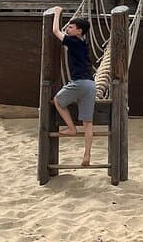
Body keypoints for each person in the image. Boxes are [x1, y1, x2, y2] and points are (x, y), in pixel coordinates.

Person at [51, 8, 96, 167]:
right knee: (88, 123)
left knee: (57, 100)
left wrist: (57, 13)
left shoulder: (73, 41)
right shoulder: (84, 43)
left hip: (79, 82)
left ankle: (70, 128)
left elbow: (55, 30)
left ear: (79, 31)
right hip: (91, 85)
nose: (68, 28)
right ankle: (87, 155)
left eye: (71, 26)